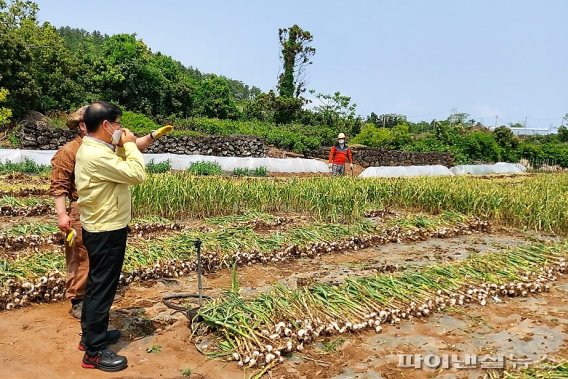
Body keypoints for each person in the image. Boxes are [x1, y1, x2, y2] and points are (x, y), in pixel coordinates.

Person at [50, 106, 173, 320]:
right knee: (81, 257)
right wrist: (62, 214)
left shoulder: (104, 145)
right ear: (84, 126)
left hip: (103, 207)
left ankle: (92, 307)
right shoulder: (73, 151)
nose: (118, 128)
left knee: (96, 263)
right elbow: (59, 186)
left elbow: (132, 145)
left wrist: (153, 135)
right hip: (85, 208)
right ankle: (80, 300)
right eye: (115, 124)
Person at [75, 101, 146, 371]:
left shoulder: (95, 148)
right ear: (105, 125)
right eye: (117, 124)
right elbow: (137, 174)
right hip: (106, 230)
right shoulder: (97, 155)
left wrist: (124, 144)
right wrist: (129, 144)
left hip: (102, 225)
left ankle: (91, 336)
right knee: (102, 289)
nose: (120, 129)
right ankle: (94, 352)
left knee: (97, 285)